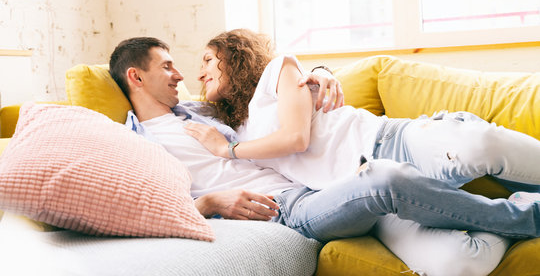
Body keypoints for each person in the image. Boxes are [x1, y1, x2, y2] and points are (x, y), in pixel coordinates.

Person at [109, 36, 523, 276]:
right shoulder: (136, 141)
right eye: (167, 66)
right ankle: (527, 215)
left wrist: (320, 73)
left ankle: (521, 213)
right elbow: (143, 206)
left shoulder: (207, 110)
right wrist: (209, 202)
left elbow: (266, 92)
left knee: (390, 175)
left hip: (323, 183)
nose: (182, 74)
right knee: (383, 178)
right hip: (289, 208)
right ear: (136, 76)